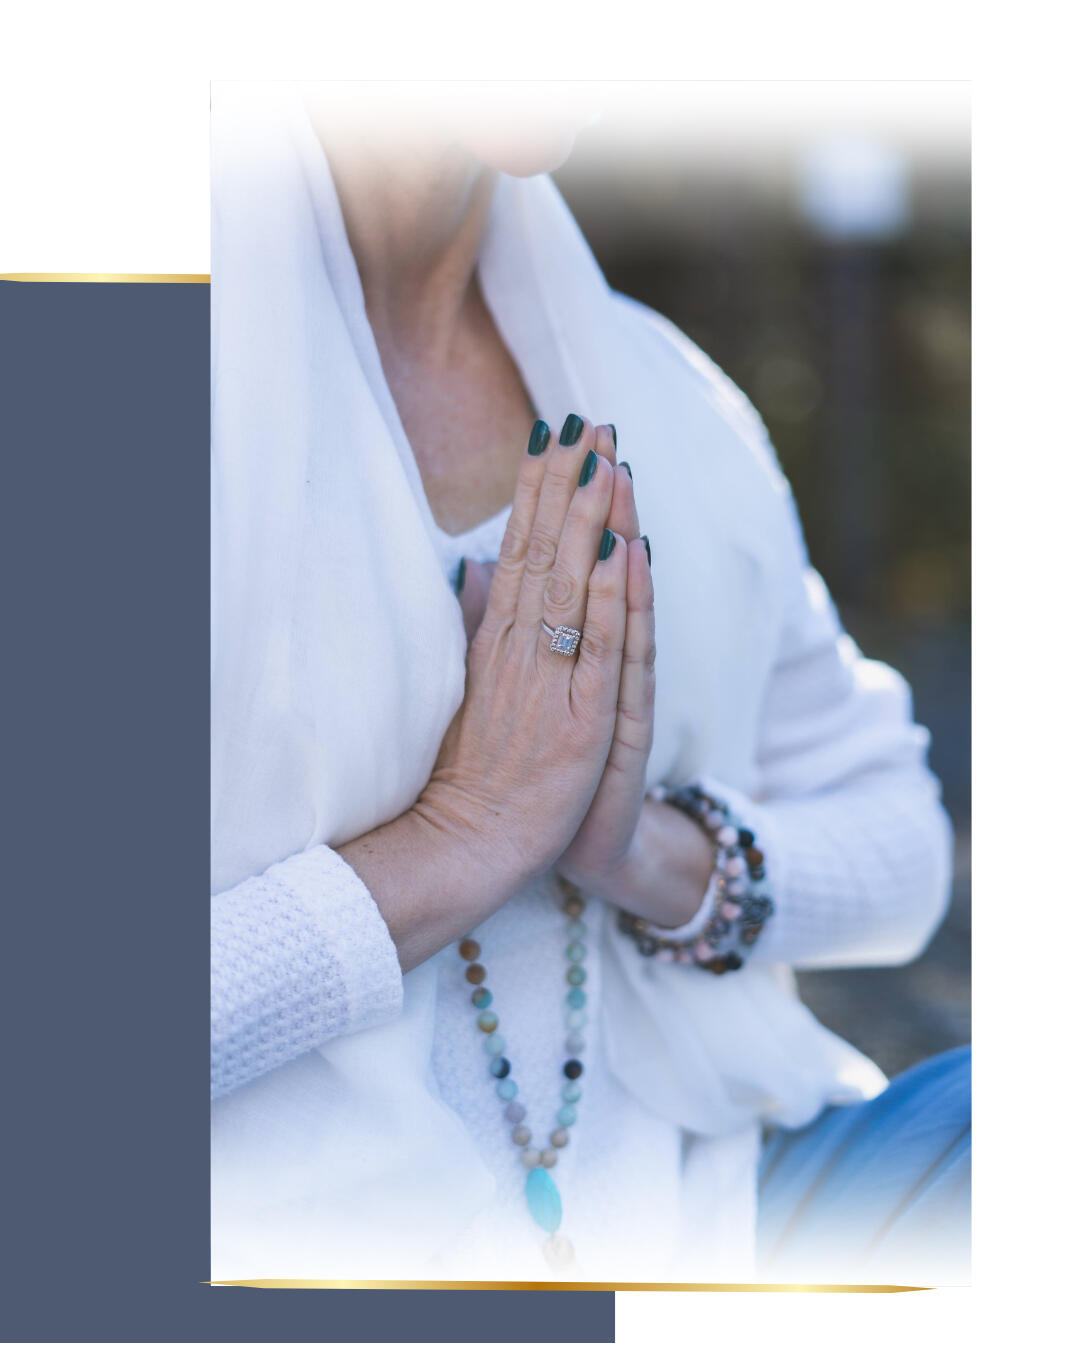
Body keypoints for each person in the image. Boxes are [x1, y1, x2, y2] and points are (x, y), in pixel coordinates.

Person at [210, 83, 969, 1284]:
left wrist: (640, 852)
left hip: (723, 1220)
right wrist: (459, 839)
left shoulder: (670, 395)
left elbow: (903, 852)